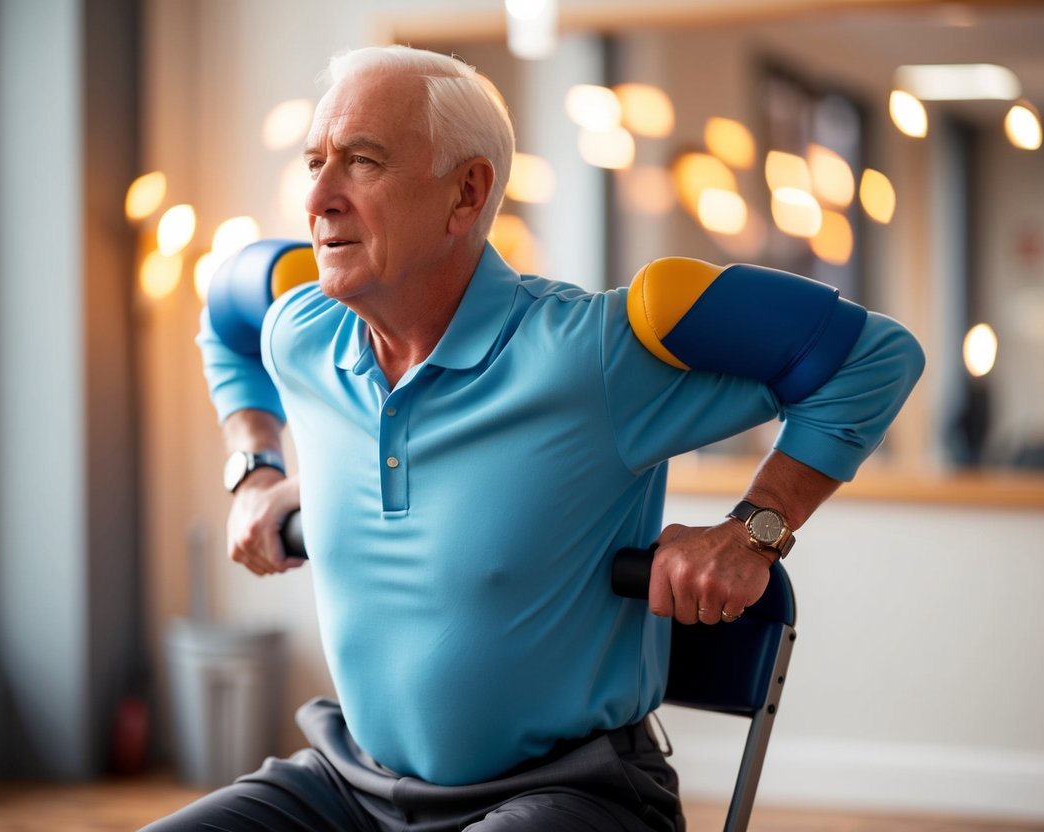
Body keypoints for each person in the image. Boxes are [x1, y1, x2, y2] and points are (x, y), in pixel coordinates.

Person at [145, 45, 923, 832]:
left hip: (570, 793)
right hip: (349, 784)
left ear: (466, 193)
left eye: (362, 162)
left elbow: (874, 355)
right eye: (314, 160)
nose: (316, 195)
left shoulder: (592, 351)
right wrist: (254, 466)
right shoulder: (304, 327)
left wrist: (753, 531)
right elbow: (226, 310)